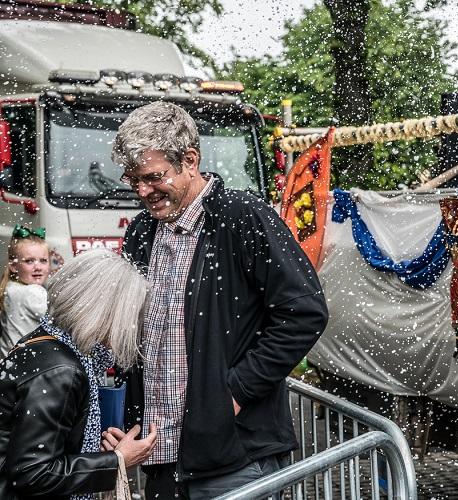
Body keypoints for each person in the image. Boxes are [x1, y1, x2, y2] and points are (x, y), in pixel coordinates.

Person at [112, 101, 328, 499]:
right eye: (133, 180)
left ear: (190, 160)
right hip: (162, 458)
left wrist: (235, 392)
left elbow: (304, 312)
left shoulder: (243, 216)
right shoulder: (143, 230)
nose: (143, 192)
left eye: (153, 177)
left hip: (236, 459)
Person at [0, 249, 158, 500]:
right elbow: (33, 473)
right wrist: (116, 460)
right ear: (104, 312)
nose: (130, 325)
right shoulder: (63, 370)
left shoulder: (50, 343)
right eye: (128, 315)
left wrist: (99, 452)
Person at [0, 225, 49, 356]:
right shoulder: (33, 293)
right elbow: (62, 322)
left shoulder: (9, 287)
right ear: (14, 266)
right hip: (30, 367)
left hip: (10, 363)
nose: (37, 267)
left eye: (43, 261)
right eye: (29, 261)